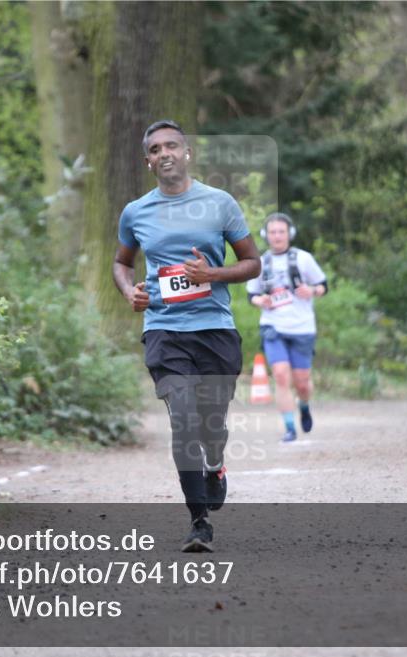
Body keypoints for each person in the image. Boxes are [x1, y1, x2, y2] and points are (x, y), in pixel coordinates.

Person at [112, 120, 261, 552]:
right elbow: (121, 262)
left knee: (212, 425)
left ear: (187, 152)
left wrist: (212, 274)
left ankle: (215, 464)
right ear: (148, 161)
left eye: (172, 146)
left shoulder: (219, 203)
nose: (165, 154)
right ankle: (199, 522)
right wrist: (130, 292)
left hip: (214, 329)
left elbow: (252, 263)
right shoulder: (136, 211)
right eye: (155, 149)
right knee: (182, 421)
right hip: (164, 330)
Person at [246, 212, 327, 442]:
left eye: (281, 231)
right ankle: (290, 427)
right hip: (273, 326)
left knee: (302, 383)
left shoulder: (303, 259)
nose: (277, 236)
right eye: (273, 232)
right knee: (281, 376)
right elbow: (252, 294)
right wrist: (260, 300)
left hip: (302, 328)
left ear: (289, 234)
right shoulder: (261, 262)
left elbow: (323, 285)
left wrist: (312, 291)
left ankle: (304, 405)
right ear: (266, 235)